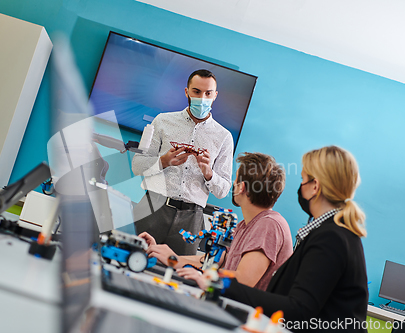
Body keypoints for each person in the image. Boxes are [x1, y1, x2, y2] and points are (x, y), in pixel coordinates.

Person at [193, 146, 368, 332]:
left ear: (315, 186)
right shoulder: (333, 233)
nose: (300, 186)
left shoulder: (331, 238)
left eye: (303, 179)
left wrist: (224, 285)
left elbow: (298, 309)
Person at [141, 152, 293, 290]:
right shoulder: (245, 226)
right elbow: (210, 261)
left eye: (236, 179)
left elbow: (244, 280)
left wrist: (201, 276)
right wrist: (170, 257)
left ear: (241, 188)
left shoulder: (269, 225)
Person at [132, 69, 233, 255]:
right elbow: (137, 165)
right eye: (196, 92)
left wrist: (208, 173)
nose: (202, 98)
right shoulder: (161, 121)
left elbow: (223, 190)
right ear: (186, 91)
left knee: (177, 275)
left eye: (208, 93)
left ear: (215, 95)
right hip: (152, 206)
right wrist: (163, 161)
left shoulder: (224, 137)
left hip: (191, 219)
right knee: (131, 259)